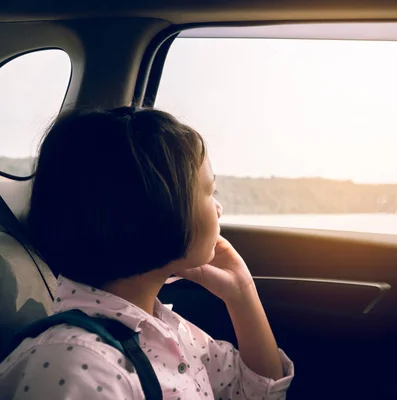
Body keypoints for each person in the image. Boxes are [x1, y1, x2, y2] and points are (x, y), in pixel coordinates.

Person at [0, 107, 294, 399]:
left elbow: (256, 393)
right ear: (157, 211)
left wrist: (242, 293)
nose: (218, 208)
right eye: (209, 192)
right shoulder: (77, 368)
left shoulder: (164, 328)